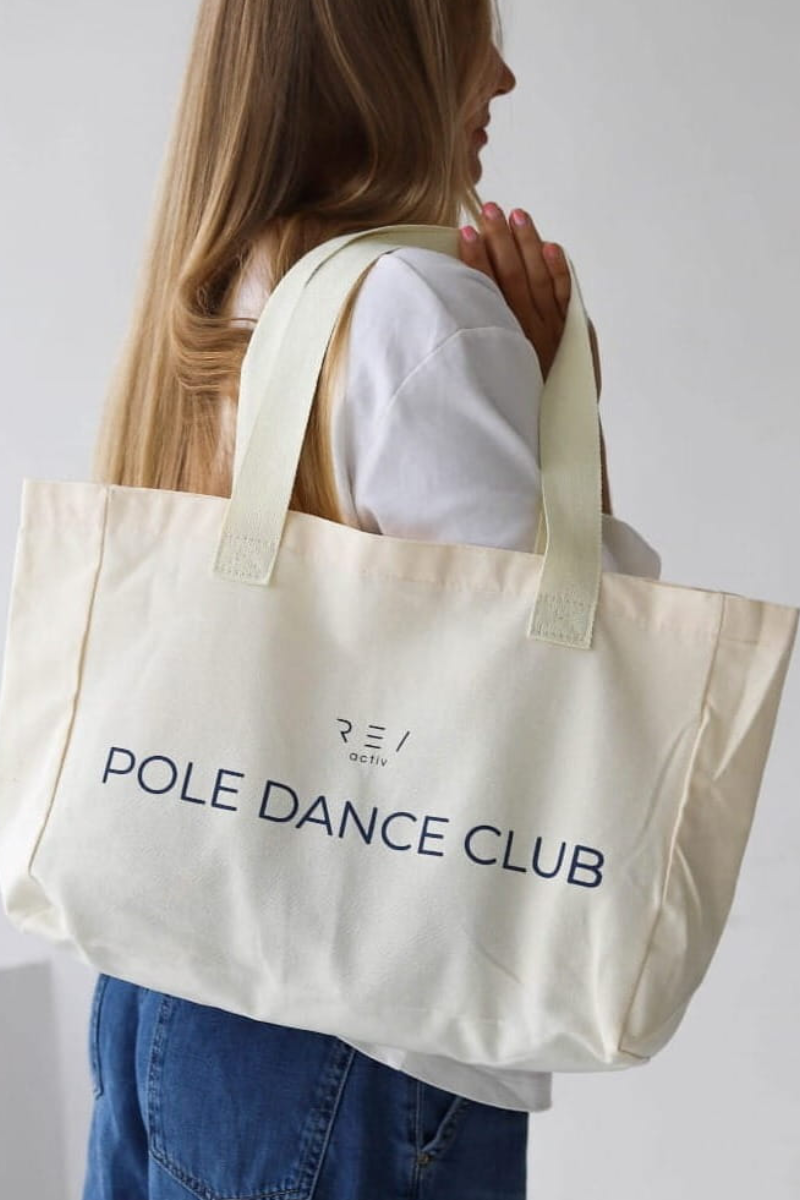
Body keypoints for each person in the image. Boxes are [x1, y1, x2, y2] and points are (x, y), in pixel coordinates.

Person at [81, 2, 661, 1197]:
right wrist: (564, 403)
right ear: (382, 52)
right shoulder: (413, 312)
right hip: (352, 1037)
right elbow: (578, 694)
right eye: (467, 36)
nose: (499, 77)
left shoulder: (216, 284)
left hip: (162, 974)